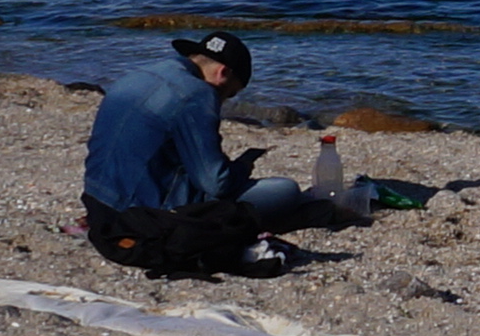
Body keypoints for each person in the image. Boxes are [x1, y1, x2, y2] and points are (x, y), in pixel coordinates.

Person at [81, 32, 351, 271]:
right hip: (140, 213)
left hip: (97, 198)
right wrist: (242, 167)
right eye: (229, 94)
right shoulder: (196, 94)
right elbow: (216, 183)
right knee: (285, 190)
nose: (224, 101)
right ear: (223, 73)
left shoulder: (143, 73)